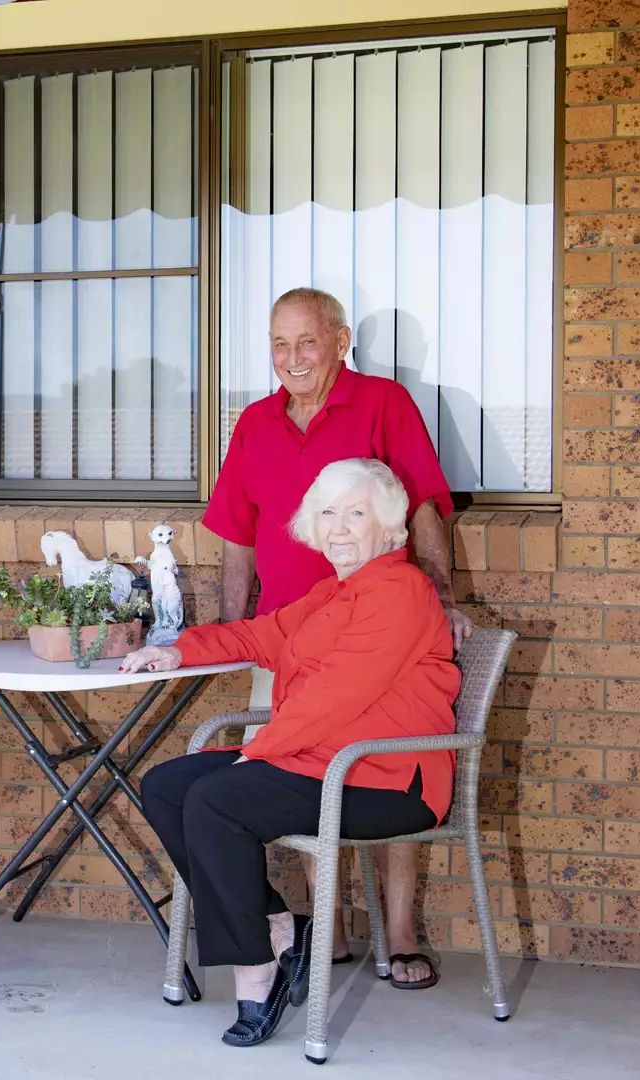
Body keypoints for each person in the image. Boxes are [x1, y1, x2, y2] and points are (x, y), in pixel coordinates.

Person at [124, 458, 461, 1046]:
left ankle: (256, 969)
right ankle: (281, 926)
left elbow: (335, 697)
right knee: (167, 787)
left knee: (217, 799)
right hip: (319, 762)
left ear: (388, 526)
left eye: (356, 513)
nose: (339, 528)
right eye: (327, 512)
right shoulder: (333, 592)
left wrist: (258, 753)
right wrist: (180, 651)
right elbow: (262, 635)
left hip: (385, 780)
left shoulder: (402, 591)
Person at [206, 286, 469, 987]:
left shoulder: (383, 403)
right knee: (293, 776)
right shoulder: (254, 423)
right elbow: (236, 532)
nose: (292, 358)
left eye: (307, 342)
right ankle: (331, 930)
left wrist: (441, 596)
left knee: (384, 764)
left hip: (377, 637)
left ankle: (401, 934)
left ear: (340, 341)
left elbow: (420, 505)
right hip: (289, 637)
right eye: (279, 344)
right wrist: (233, 625)